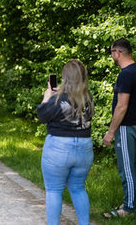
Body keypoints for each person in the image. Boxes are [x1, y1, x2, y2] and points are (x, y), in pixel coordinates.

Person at [36, 60, 94, 225]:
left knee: (54, 190)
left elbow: (42, 116)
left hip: (59, 148)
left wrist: (47, 97)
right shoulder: (88, 98)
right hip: (84, 148)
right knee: (78, 189)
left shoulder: (58, 98)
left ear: (65, 77)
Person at [103, 38, 136, 219]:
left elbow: (122, 106)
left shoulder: (125, 74)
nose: (112, 57)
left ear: (118, 52)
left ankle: (128, 209)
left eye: (111, 53)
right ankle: (129, 201)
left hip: (127, 127)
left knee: (127, 168)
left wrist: (110, 132)